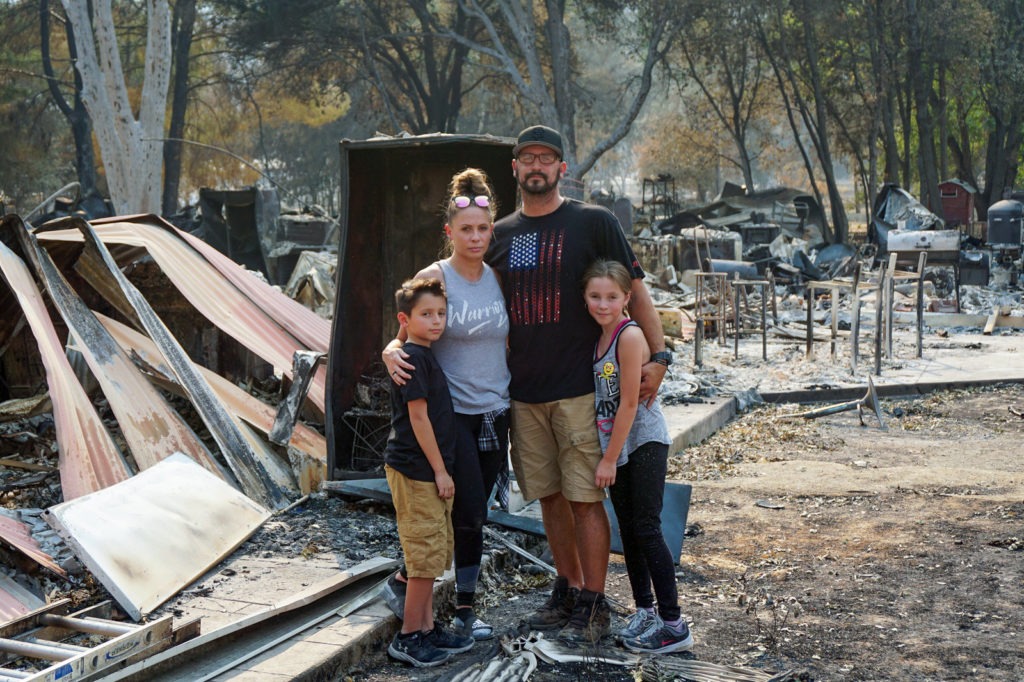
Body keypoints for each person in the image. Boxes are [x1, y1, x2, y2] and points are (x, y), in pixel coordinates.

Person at [485, 125, 672, 643]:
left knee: (586, 498)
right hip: (524, 392)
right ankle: (565, 589)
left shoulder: (593, 222)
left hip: (582, 391)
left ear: (562, 168)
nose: (537, 167)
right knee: (546, 497)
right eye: (528, 159)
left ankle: (594, 600)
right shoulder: (500, 235)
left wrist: (659, 357)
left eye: (547, 159)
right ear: (516, 169)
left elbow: (634, 290)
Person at [382, 169, 511, 641]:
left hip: (496, 411)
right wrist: (388, 351)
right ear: (449, 232)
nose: (475, 237)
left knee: (475, 513)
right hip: (453, 414)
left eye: (482, 229)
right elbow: (402, 338)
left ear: (491, 229)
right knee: (466, 507)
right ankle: (463, 612)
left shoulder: (497, 278)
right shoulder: (434, 277)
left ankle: (405, 580)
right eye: (465, 230)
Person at [583, 260, 693, 653]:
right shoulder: (597, 339)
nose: (603, 304)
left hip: (643, 442)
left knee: (646, 527)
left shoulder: (628, 338)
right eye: (595, 296)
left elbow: (630, 403)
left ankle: (674, 623)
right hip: (620, 446)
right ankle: (645, 610)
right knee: (628, 530)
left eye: (612, 297)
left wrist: (609, 458)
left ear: (627, 298)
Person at [382, 278, 475, 668]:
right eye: (426, 314)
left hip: (429, 470)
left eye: (440, 313)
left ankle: (428, 625)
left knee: (434, 550)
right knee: (421, 557)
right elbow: (418, 418)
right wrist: (440, 471)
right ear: (405, 319)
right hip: (418, 469)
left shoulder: (423, 352)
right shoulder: (413, 358)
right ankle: (408, 637)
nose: (436, 321)